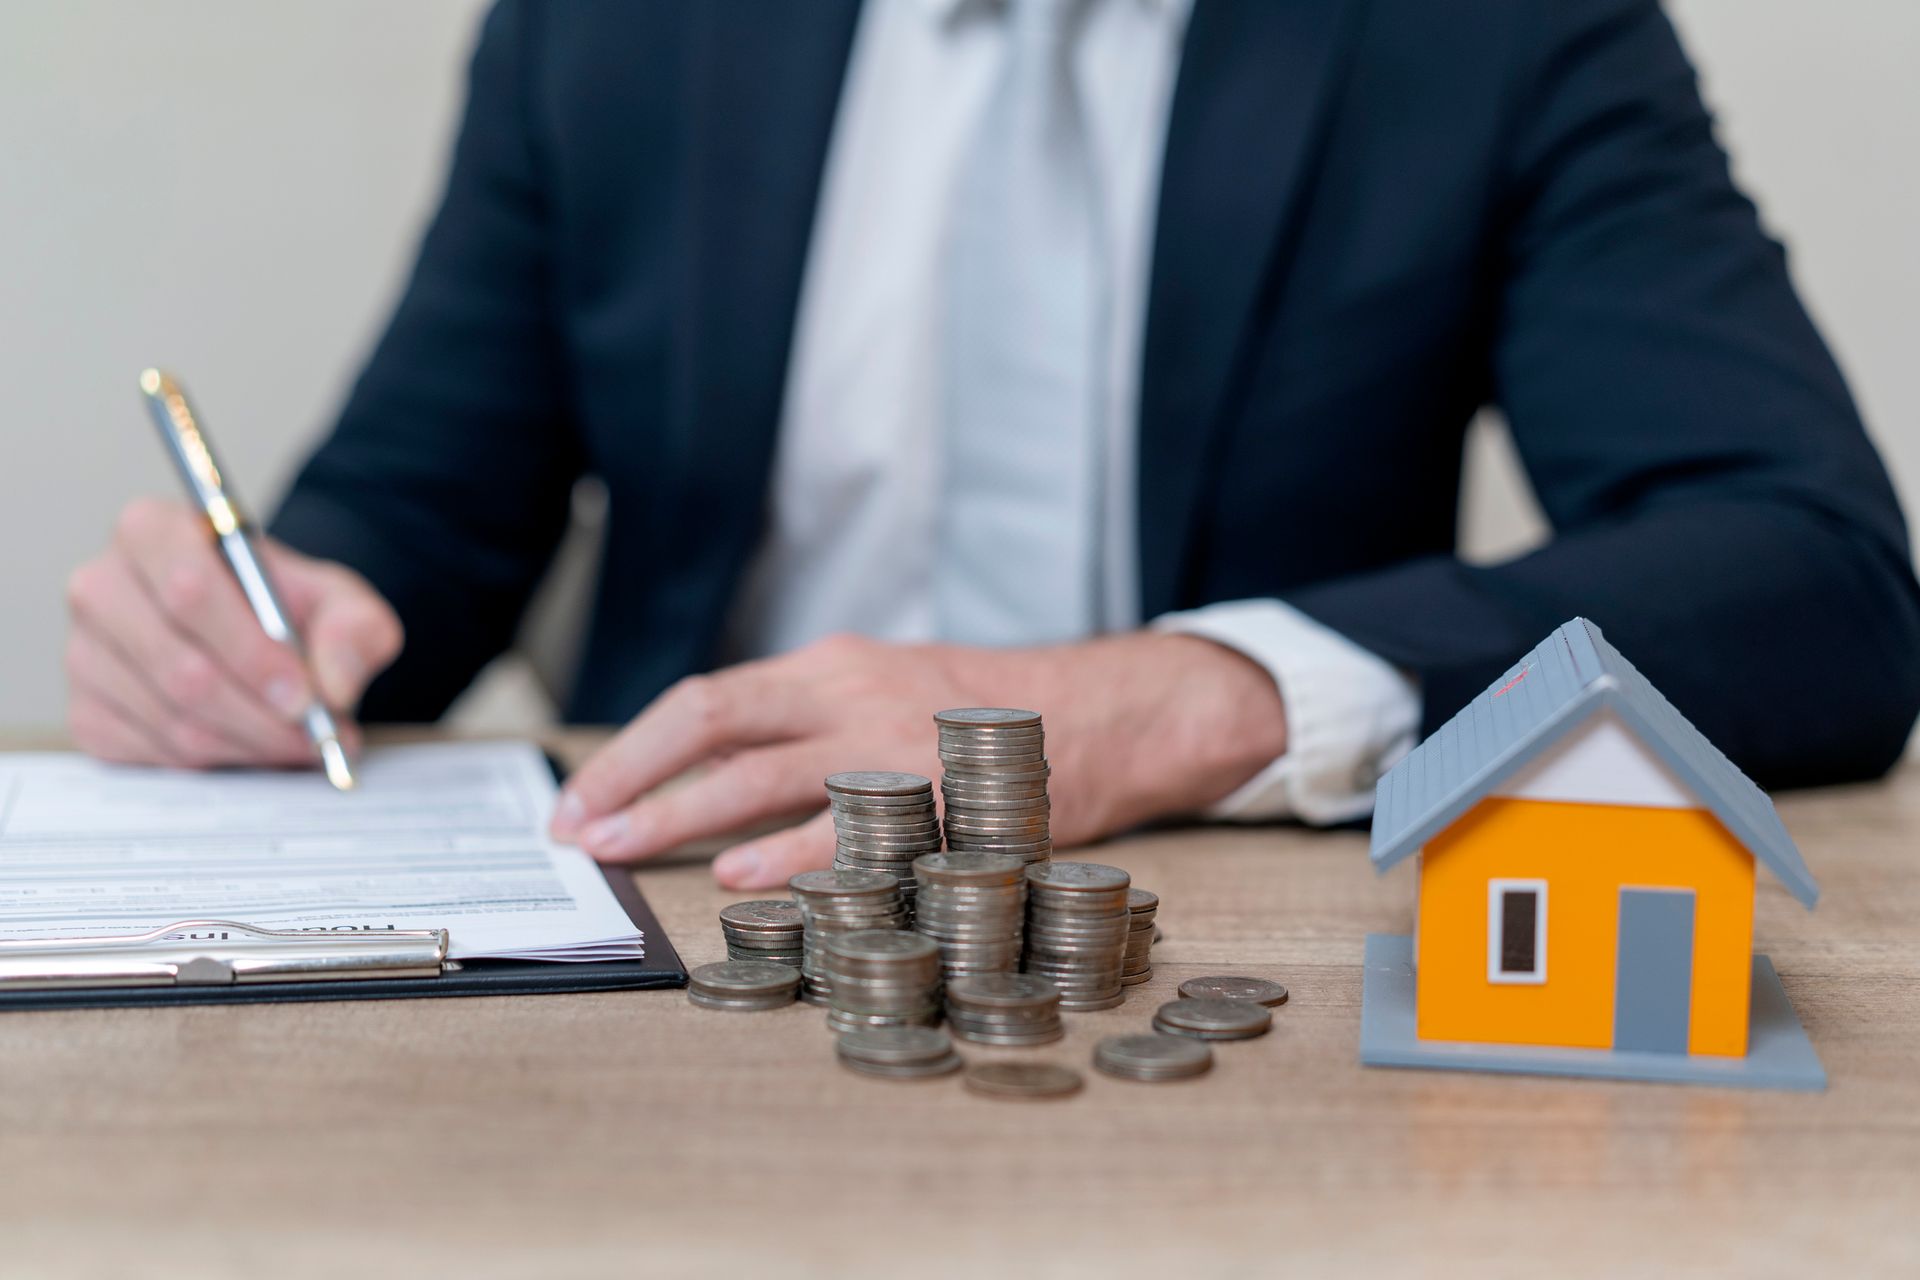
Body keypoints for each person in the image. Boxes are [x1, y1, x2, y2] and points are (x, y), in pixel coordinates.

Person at [64, 0, 1920, 891]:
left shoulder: (1498, 35)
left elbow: (1817, 578)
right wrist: (269, 623)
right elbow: (413, 516)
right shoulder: (608, 28)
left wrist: (1176, 698)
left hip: (1217, 930)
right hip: (683, 919)